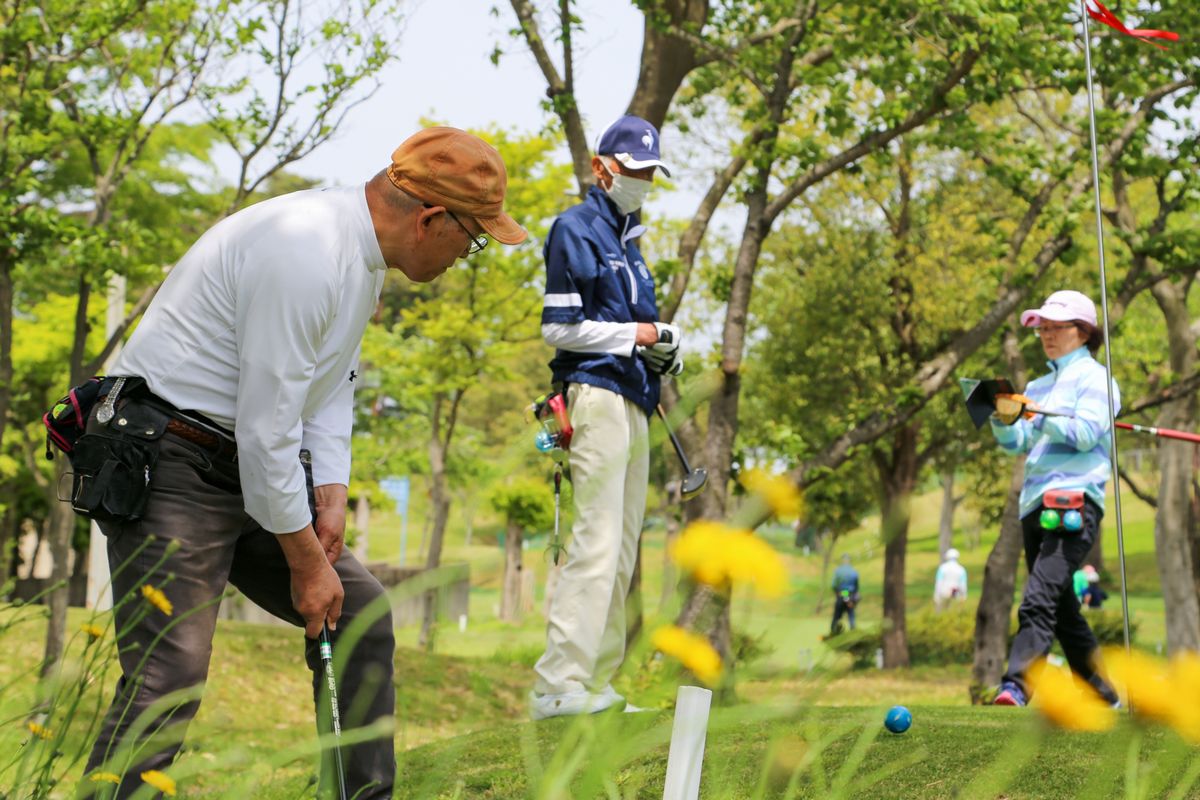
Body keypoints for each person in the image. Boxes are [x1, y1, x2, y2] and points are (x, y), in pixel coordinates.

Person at [74, 128, 526, 798]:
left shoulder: (358, 261)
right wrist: (306, 561)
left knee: (360, 620)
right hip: (170, 459)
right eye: (475, 236)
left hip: (248, 466)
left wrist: (333, 489)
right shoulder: (306, 251)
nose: (471, 253)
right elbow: (266, 428)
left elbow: (330, 383)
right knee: (169, 678)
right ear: (432, 219)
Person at [530, 115, 681, 720]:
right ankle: (557, 684)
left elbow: (636, 332)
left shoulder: (632, 246)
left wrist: (663, 349)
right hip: (594, 396)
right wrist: (637, 332)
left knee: (621, 551)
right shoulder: (575, 228)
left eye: (649, 174)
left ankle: (595, 683)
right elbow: (558, 327)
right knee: (594, 542)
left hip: (636, 398)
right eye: (634, 171)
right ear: (603, 169)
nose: (642, 182)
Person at [990, 289, 1120, 708]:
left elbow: (1085, 434)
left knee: (1039, 598)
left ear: (1082, 333)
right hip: (1034, 504)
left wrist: (1037, 414)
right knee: (1062, 612)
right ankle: (1105, 698)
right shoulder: (1039, 385)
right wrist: (1006, 420)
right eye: (1041, 328)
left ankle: (1017, 686)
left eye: (1055, 327)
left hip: (1074, 502)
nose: (1046, 334)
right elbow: (1018, 443)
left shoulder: (1098, 378)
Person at [830, 554, 860, 635]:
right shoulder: (854, 571)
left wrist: (841, 594)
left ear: (843, 560)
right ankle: (853, 631)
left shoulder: (838, 571)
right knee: (851, 614)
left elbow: (833, 585)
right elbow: (857, 587)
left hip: (842, 595)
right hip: (850, 595)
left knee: (837, 616)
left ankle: (833, 631)